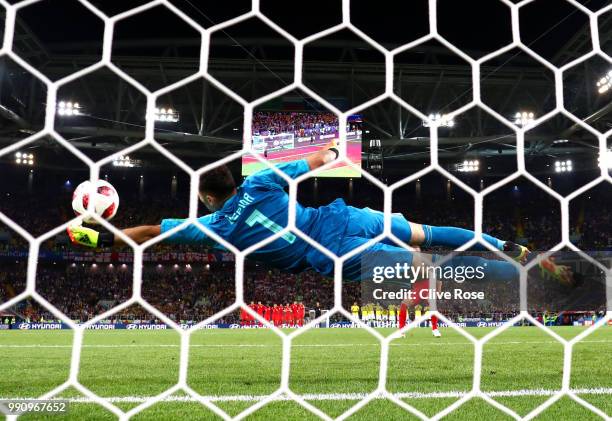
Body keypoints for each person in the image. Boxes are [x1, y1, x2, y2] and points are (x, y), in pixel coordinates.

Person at [67, 144, 571, 307]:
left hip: (330, 255)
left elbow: (150, 234)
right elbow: (314, 161)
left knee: (432, 268)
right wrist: (333, 150)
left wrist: (101, 233)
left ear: (204, 193)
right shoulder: (261, 182)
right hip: (338, 215)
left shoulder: (213, 226)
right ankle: (511, 246)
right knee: (427, 232)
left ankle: (523, 277)